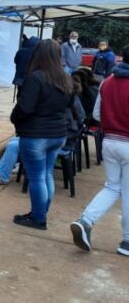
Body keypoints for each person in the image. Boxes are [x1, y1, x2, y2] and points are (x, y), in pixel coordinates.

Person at [70, 45, 129, 256]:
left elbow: (97, 114)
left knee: (112, 187)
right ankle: (127, 241)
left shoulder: (108, 81)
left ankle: (85, 220)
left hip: (110, 141)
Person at [10, 39, 74, 230]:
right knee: (46, 174)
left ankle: (38, 218)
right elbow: (69, 105)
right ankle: (40, 213)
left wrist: (15, 118)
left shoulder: (36, 78)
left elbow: (25, 107)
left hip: (36, 134)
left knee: (37, 177)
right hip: (58, 134)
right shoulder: (66, 78)